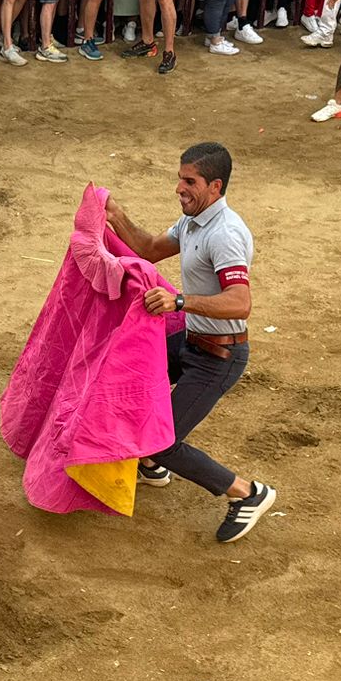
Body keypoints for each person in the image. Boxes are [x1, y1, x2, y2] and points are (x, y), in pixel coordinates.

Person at [101, 144, 278, 545]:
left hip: (219, 357)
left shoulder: (226, 234)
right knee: (128, 379)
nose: (179, 188)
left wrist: (180, 301)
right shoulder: (193, 221)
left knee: (164, 441)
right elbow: (148, 248)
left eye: (189, 182)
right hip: (190, 342)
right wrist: (115, 215)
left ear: (215, 186)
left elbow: (240, 302)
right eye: (180, 178)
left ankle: (248, 494)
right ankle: (150, 465)